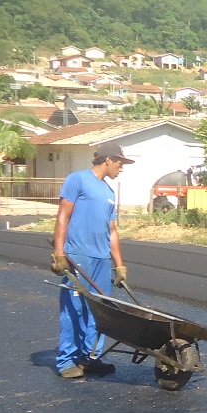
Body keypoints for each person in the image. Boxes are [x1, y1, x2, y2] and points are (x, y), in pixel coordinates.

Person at [50, 147, 134, 379]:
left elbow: (112, 230)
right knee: (74, 309)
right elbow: (62, 216)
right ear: (108, 160)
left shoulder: (109, 191)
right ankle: (67, 360)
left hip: (101, 259)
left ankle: (91, 357)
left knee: (100, 311)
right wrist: (59, 253)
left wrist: (119, 264)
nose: (121, 168)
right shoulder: (77, 180)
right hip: (79, 256)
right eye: (120, 163)